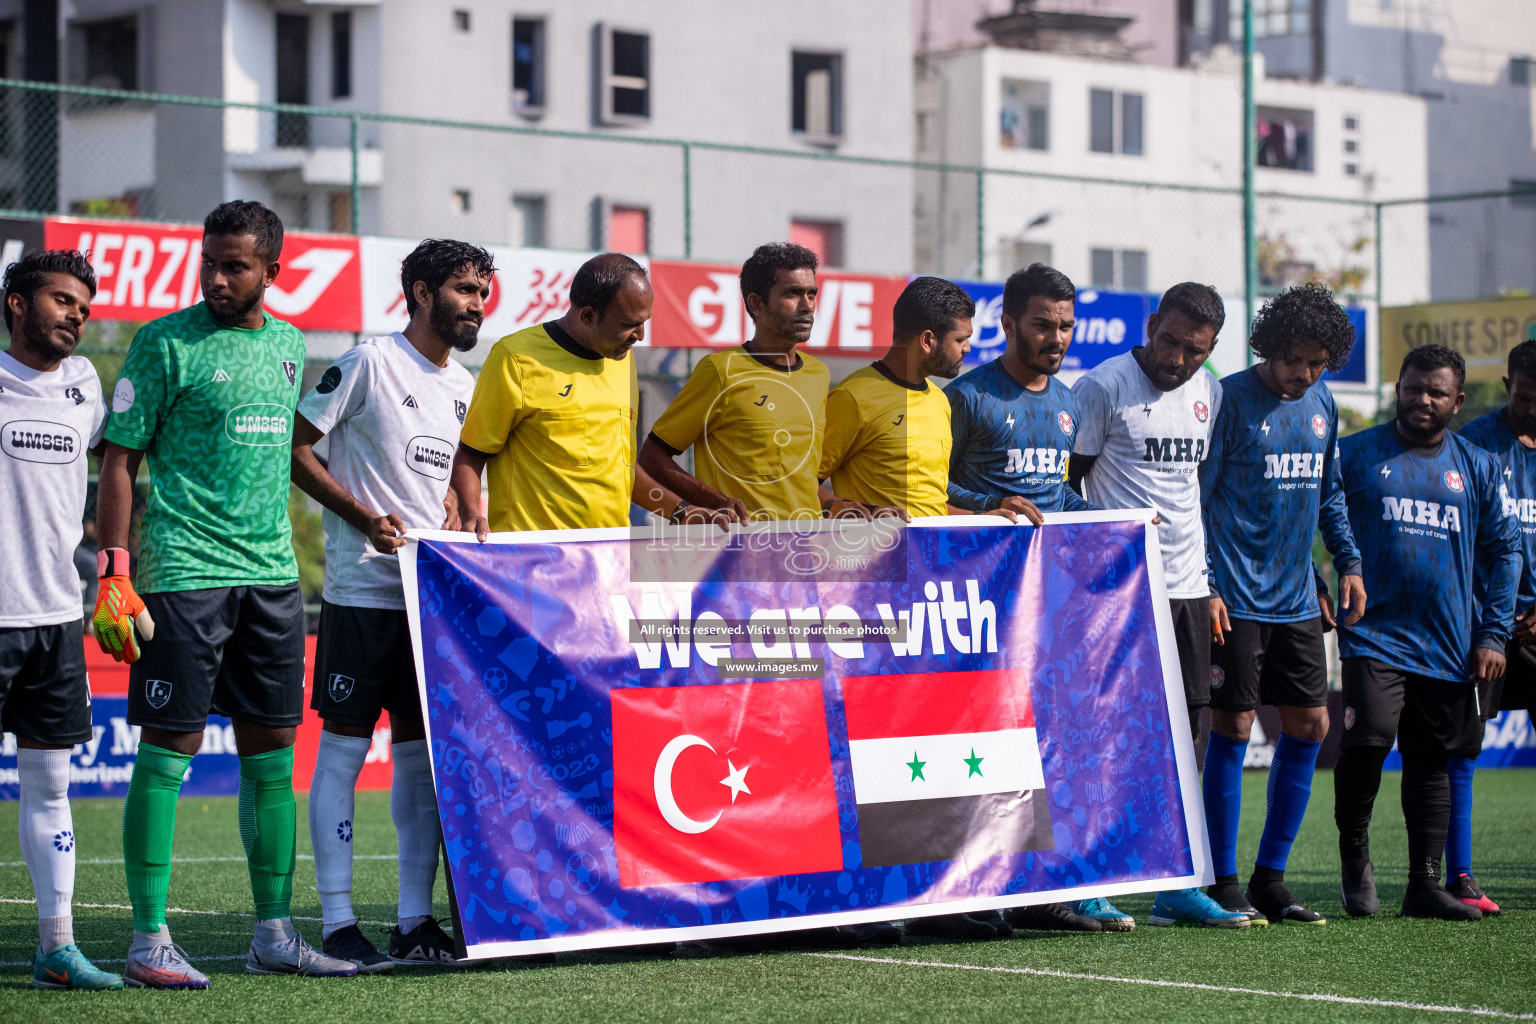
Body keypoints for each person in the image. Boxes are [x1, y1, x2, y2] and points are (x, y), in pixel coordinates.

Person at [95, 201, 357, 986]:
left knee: (274, 752)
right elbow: (118, 463)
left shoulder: (288, 344)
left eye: (234, 265)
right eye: (208, 261)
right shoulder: (162, 341)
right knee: (169, 747)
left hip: (273, 579)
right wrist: (115, 568)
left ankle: (273, 934)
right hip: (182, 577)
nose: (215, 276)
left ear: (272, 271)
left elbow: (287, 460)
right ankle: (148, 941)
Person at [292, 239, 494, 971]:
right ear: (420, 290)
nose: (477, 304)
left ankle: (414, 921)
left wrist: (462, 515)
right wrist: (359, 515)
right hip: (360, 594)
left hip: (428, 601)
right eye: (465, 290)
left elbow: (447, 480)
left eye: (482, 292)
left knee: (417, 764)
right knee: (344, 754)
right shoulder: (368, 361)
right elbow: (296, 445)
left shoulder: (467, 386)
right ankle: (340, 922)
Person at [946, 263, 1137, 935]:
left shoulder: (1069, 403)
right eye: (1042, 324)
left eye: (1065, 326)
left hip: (1049, 603)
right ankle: (973, 889)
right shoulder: (966, 398)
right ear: (1008, 323)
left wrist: (1124, 524)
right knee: (988, 744)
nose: (1056, 337)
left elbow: (1056, 498)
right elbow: (930, 493)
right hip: (979, 605)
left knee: (1056, 743)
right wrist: (987, 505)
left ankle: (1051, 889)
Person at [1069, 281, 1249, 929]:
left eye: (1194, 350)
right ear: (1151, 326)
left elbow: (1192, 495)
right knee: (1107, 735)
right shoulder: (1102, 386)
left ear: (1212, 348)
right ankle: (1086, 882)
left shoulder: (1212, 391)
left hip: (1188, 590)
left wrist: (1209, 582)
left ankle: (1175, 883)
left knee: (1188, 737)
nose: (1177, 358)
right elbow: (1069, 484)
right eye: (1169, 341)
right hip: (1116, 590)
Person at [1333, 345, 1518, 921]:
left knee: (1431, 759)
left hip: (1448, 642)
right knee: (1370, 739)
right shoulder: (1356, 453)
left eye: (1437, 392)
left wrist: (1494, 633)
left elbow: (1506, 550)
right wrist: (1325, 578)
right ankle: (1355, 854)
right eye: (1414, 388)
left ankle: (1423, 884)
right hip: (1373, 635)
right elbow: (1308, 514)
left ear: (1457, 401)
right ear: (1398, 387)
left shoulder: (1478, 466)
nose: (1423, 400)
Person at [1199, 284, 1366, 926]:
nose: (1305, 374)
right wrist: (1208, 581)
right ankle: (1222, 879)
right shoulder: (1229, 400)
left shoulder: (1321, 403)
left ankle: (1272, 878)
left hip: (1298, 597)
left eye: (1318, 362)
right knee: (1235, 729)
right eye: (1295, 359)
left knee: (1311, 727)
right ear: (1269, 346)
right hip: (1234, 599)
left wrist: (1346, 563)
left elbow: (1330, 496)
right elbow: (1199, 500)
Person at [0, 249, 121, 989]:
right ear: (17, 303)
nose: (76, 314)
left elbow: (116, 468)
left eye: (83, 304)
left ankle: (57, 946)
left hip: (55, 620)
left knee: (51, 787)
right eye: (61, 301)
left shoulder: (85, 385)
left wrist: (115, 569)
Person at [450, 253, 727, 538]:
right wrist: (471, 515)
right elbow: (470, 457)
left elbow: (621, 471)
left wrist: (681, 512)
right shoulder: (515, 359)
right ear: (588, 316)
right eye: (629, 324)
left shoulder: (622, 358)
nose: (640, 335)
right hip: (537, 565)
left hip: (611, 559)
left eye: (645, 322)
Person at [638, 242, 867, 523]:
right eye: (793, 293)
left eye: (812, 293)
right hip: (739, 552)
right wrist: (713, 501)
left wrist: (832, 505)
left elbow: (796, 479)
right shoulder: (721, 371)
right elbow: (651, 457)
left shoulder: (818, 374)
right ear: (756, 304)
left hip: (807, 550)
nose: (807, 305)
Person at [1452, 339, 1536, 916]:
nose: (1533, 409)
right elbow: (1455, 535)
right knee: (1461, 749)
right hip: (1484, 627)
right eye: (1526, 397)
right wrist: (1491, 617)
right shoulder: (1476, 445)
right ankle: (1456, 874)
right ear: (1508, 386)